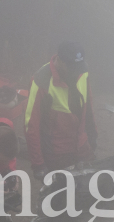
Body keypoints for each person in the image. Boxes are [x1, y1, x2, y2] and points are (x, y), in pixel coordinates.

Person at [24, 41, 97, 180]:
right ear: (60, 60)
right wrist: (38, 164)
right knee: (60, 196)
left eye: (78, 66)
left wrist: (93, 137)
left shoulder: (83, 71)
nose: (76, 71)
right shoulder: (41, 80)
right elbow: (31, 126)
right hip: (56, 153)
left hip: (82, 146)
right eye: (72, 66)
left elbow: (88, 108)